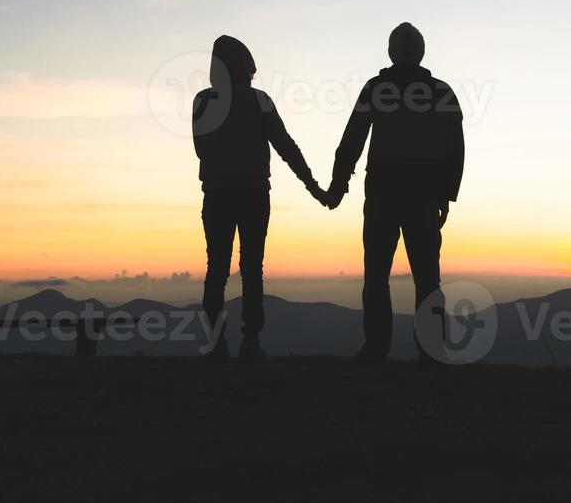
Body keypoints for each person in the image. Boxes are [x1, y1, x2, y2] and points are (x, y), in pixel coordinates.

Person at [324, 23, 464, 364]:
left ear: (391, 52)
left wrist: (338, 185)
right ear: (421, 52)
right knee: (427, 276)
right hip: (425, 195)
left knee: (376, 274)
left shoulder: (377, 88)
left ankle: (376, 348)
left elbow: (353, 139)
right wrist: (447, 193)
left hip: (383, 192)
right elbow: (455, 147)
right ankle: (431, 352)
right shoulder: (440, 91)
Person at [193, 35, 325, 361]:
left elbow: (201, 149)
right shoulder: (260, 101)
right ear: (246, 68)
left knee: (217, 270)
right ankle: (251, 341)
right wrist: (313, 186)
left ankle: (216, 343)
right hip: (253, 194)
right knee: (252, 269)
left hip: (217, 195)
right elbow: (285, 146)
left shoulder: (203, 102)